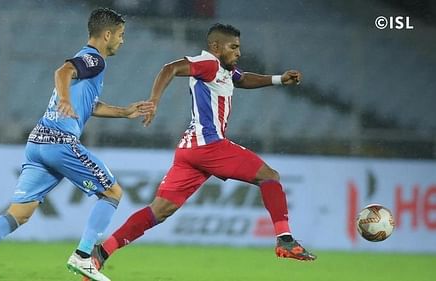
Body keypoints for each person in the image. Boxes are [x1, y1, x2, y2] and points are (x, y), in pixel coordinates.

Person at [83, 22, 316, 280]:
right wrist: (155, 101)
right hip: (209, 145)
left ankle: (100, 253)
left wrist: (278, 80)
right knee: (270, 176)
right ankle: (285, 240)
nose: (238, 52)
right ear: (215, 47)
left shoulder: (224, 70)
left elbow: (243, 79)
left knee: (159, 210)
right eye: (233, 47)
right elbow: (170, 68)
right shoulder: (209, 64)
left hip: (191, 151)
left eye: (239, 47)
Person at [0, 8, 153, 281]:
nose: (122, 40)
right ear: (107, 35)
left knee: (20, 213)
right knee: (112, 192)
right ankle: (83, 257)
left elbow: (89, 105)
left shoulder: (88, 61)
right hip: (60, 142)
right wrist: (65, 99)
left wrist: (124, 112)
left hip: (38, 142)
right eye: (120, 35)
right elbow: (63, 71)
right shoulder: (94, 60)